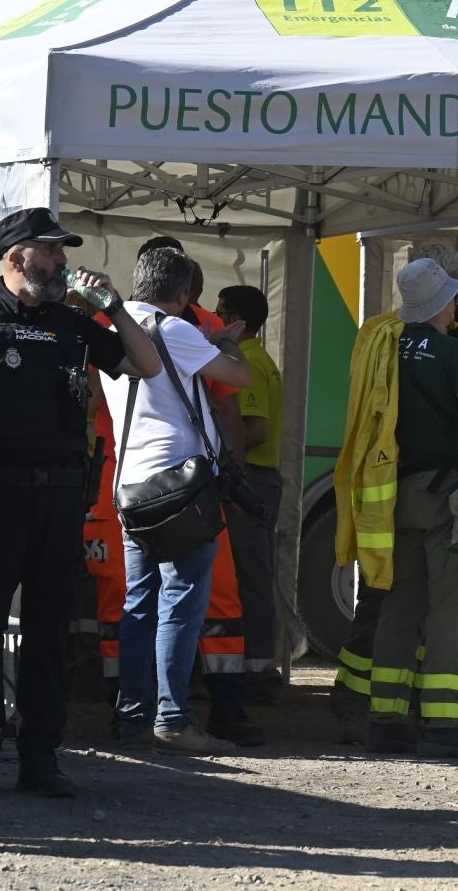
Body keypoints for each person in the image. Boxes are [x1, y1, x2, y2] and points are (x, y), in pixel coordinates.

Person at [0, 208, 157, 795]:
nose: (61, 261)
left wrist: (114, 308)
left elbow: (146, 364)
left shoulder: (73, 322)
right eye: (50, 250)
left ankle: (40, 758)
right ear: (15, 257)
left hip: (57, 497)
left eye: (61, 251)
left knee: (49, 632)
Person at [99, 246, 252, 756]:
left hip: (131, 487)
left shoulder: (114, 328)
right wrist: (226, 343)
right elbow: (239, 377)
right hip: (180, 487)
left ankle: (132, 718)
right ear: (184, 295)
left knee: (138, 603)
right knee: (182, 602)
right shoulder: (174, 330)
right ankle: (173, 718)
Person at [363, 258, 458, 758]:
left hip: (398, 490)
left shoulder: (386, 345)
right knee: (452, 605)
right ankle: (443, 721)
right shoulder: (451, 352)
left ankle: (386, 717)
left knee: (400, 604)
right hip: (447, 494)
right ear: (443, 302)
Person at [215, 284, 286, 704]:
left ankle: (259, 671)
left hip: (252, 479)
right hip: (258, 478)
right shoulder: (256, 359)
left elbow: (255, 429)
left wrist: (225, 447)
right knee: (249, 574)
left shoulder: (250, 363)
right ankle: (254, 666)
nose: (215, 320)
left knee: (251, 576)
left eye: (220, 314)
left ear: (237, 322)